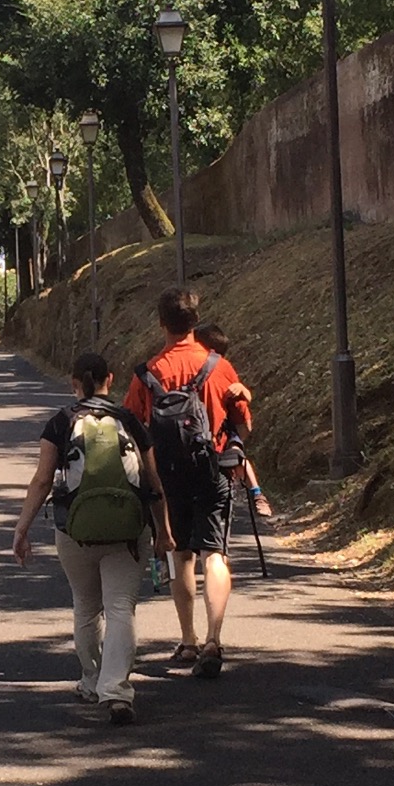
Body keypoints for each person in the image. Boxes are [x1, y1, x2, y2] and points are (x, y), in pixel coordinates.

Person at [11, 350, 170, 722]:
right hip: (128, 530)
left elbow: (42, 480)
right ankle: (116, 692)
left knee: (85, 604)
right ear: (109, 380)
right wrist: (164, 532)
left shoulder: (60, 422)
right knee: (120, 607)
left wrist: (22, 527)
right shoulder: (129, 420)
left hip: (75, 530)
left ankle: (91, 680)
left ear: (74, 384)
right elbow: (153, 483)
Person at [126, 288, 250, 678]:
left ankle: (188, 640)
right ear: (196, 321)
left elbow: (132, 431)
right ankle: (214, 638)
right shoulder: (218, 367)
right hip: (212, 470)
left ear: (161, 323)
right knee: (215, 555)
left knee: (180, 555)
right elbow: (244, 424)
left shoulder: (147, 373)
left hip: (167, 476)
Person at [197, 326, 275, 519]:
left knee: (235, 450)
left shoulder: (216, 367)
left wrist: (241, 390)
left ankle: (257, 492)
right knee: (236, 452)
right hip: (220, 435)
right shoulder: (222, 367)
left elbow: (241, 396)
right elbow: (241, 406)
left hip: (204, 436)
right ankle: (257, 493)